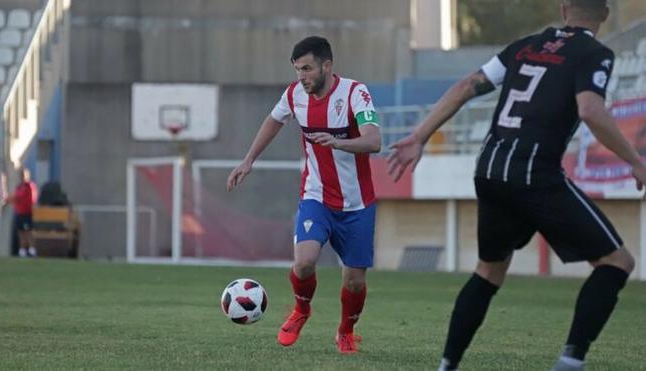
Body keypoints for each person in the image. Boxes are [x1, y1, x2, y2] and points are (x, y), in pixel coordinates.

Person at [387, 1, 646, 370]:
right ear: (605, 13)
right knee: (617, 262)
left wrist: (419, 136)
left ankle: (447, 365)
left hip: (490, 169)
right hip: (534, 174)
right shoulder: (594, 53)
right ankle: (570, 363)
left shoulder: (525, 46)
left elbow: (467, 85)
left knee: (489, 270)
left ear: (563, 9)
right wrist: (636, 162)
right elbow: (590, 109)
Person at [227, 36, 381, 353]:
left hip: (357, 206)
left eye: (307, 68)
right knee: (304, 261)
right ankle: (301, 311)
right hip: (316, 198)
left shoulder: (355, 93)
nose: (302, 76)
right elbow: (273, 121)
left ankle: (345, 331)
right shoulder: (294, 95)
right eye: (298, 69)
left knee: (354, 281)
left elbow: (374, 140)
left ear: (326, 65)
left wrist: (338, 142)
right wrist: (248, 160)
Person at [5, 168, 38, 257]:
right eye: (22, 175)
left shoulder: (30, 186)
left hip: (26, 213)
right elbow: (15, 198)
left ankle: (32, 250)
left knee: (28, 232)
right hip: (19, 213)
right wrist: (8, 199)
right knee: (20, 233)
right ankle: (22, 251)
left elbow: (31, 200)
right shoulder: (19, 187)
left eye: (24, 175)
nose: (23, 177)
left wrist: (17, 199)